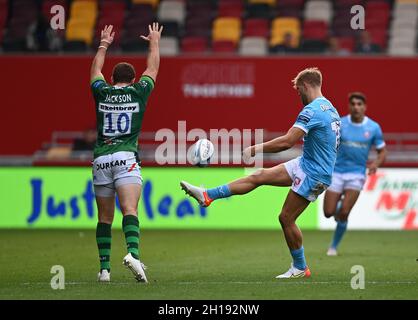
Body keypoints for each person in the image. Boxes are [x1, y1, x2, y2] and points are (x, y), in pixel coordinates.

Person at [181, 68, 341, 278]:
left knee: (286, 218)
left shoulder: (312, 110)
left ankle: (300, 268)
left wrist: (255, 149)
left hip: (314, 173)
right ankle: (207, 195)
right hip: (308, 163)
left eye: (298, 90)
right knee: (259, 176)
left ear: (305, 86)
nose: (298, 95)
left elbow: (287, 142)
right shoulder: (330, 108)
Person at [90, 23, 163, 282]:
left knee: (104, 217)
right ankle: (133, 254)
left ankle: (104, 270)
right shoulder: (138, 92)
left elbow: (95, 70)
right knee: (129, 209)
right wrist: (154, 41)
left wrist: (103, 44)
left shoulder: (102, 92)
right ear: (133, 79)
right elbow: (153, 68)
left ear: (112, 79)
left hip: (100, 159)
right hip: (126, 157)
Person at [323, 92, 387, 256]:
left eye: (359, 104)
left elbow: (382, 152)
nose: (356, 107)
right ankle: (339, 203)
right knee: (329, 213)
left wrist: (375, 164)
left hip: (356, 174)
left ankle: (333, 247)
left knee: (344, 213)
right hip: (336, 172)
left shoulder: (373, 127)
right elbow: (328, 144)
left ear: (364, 107)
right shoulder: (340, 124)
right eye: (353, 104)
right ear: (349, 106)